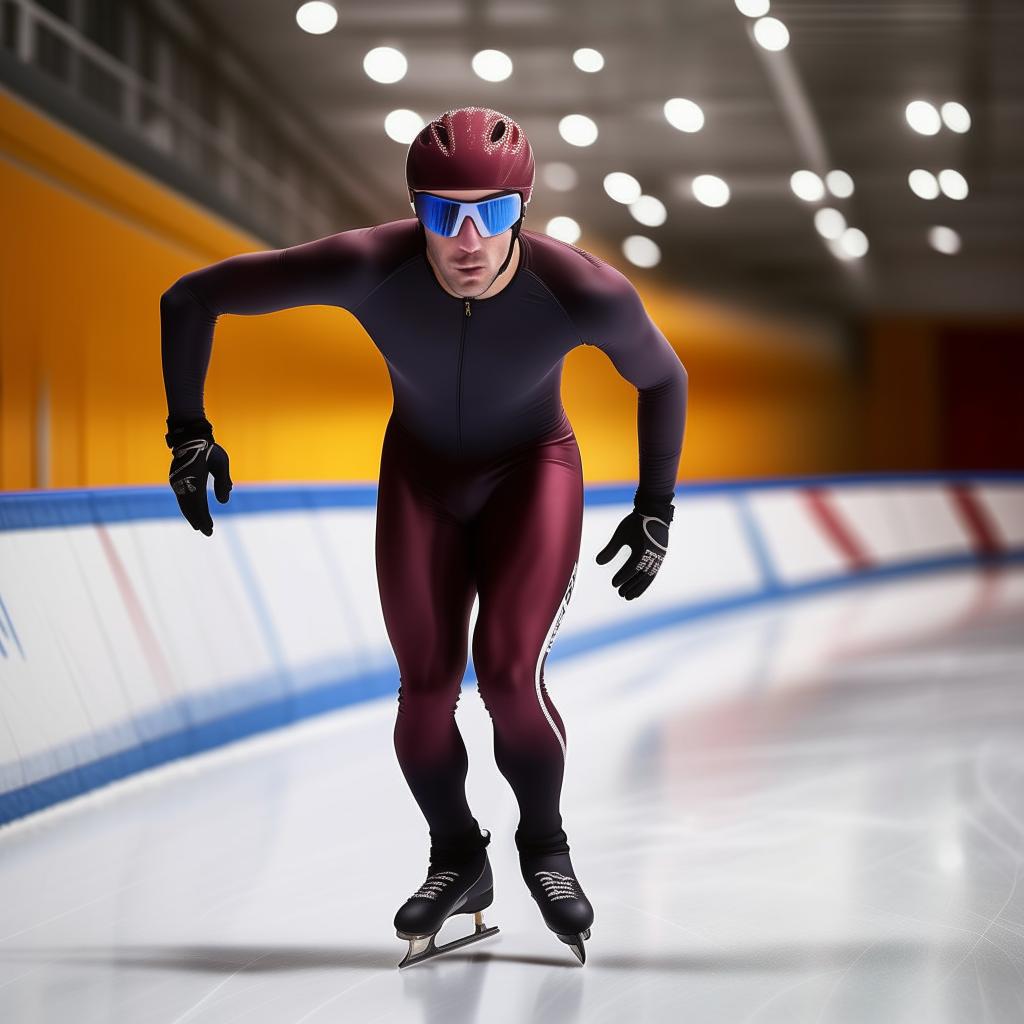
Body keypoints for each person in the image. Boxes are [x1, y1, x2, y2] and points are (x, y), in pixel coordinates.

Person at [160, 106, 688, 968]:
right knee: (424, 691)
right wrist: (187, 429)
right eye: (443, 213)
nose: (468, 238)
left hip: (534, 474)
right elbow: (189, 298)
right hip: (420, 481)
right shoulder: (370, 263)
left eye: (494, 213)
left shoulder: (582, 288)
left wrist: (655, 504)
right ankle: (458, 856)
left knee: (510, 676)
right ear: (416, 212)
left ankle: (545, 849)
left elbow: (664, 376)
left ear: (524, 211)